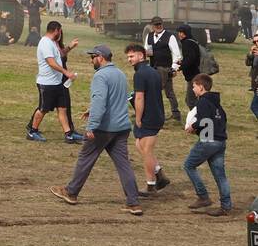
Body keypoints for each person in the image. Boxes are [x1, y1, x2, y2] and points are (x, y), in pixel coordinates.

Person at [49, 45, 142, 215]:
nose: (91, 60)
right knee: (124, 165)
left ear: (100, 57)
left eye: (92, 57)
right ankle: (134, 203)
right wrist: (91, 110)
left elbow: (100, 101)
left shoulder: (100, 76)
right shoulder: (120, 74)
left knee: (85, 158)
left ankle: (71, 192)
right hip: (122, 127)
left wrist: (91, 125)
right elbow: (116, 99)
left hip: (103, 128)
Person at [183, 74, 232, 216]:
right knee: (220, 175)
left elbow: (204, 121)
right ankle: (226, 207)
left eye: (194, 86)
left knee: (189, 165)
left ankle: (203, 197)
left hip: (208, 140)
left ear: (201, 87)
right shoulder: (216, 102)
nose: (192, 89)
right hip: (220, 141)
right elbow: (222, 119)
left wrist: (193, 126)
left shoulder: (203, 102)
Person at [27, 21, 82, 142]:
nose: (60, 34)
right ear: (56, 30)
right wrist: (66, 73)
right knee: (43, 109)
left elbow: (60, 55)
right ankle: (32, 131)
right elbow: (51, 62)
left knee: (62, 108)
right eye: (60, 31)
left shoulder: (52, 43)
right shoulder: (45, 43)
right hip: (46, 83)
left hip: (57, 83)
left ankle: (68, 134)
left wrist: (69, 47)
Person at [126, 43, 169, 195]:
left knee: (147, 152)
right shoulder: (153, 71)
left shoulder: (140, 74)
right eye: (128, 57)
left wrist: (138, 118)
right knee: (140, 145)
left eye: (131, 56)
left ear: (141, 55)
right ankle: (159, 174)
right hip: (157, 114)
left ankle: (151, 186)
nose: (129, 59)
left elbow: (139, 98)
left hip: (148, 117)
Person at [144, 16, 182, 122]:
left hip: (165, 69)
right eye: (156, 24)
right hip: (153, 68)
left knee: (156, 91)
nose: (158, 26)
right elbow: (146, 49)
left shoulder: (170, 36)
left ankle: (158, 114)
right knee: (169, 92)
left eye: (160, 24)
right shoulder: (149, 36)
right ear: (152, 26)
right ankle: (175, 114)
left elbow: (176, 54)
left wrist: (174, 68)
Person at [176, 24, 202, 108]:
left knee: (190, 100)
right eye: (179, 32)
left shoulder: (187, 43)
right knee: (192, 99)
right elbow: (191, 57)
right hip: (195, 74)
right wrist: (182, 62)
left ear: (187, 33)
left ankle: (197, 118)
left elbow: (190, 59)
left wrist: (180, 67)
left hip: (193, 76)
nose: (180, 34)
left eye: (182, 32)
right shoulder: (191, 41)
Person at [245, 34, 258, 121]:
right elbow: (248, 63)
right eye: (254, 41)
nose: (256, 43)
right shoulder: (255, 52)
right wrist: (250, 54)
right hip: (255, 81)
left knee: (254, 106)